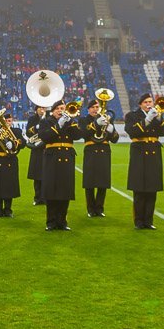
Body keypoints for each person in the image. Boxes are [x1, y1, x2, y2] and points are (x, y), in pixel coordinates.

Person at [124, 93, 164, 229]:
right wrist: (147, 120)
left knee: (152, 188)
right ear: (140, 104)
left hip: (154, 153)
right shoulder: (132, 116)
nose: (149, 104)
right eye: (145, 102)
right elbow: (132, 131)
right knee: (139, 189)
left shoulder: (157, 115)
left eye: (150, 101)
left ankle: (149, 221)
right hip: (139, 152)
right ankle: (139, 221)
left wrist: (159, 117)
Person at [39, 100, 83, 230]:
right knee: (51, 190)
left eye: (62, 108)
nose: (60, 110)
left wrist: (71, 122)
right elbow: (44, 136)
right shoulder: (46, 121)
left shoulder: (70, 121)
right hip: (52, 157)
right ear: (53, 110)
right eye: (57, 108)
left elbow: (78, 135)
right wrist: (59, 125)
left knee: (65, 189)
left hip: (67, 158)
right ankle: (51, 222)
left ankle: (62, 221)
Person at [80, 98, 119, 217]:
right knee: (90, 182)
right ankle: (91, 209)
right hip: (91, 151)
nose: (95, 109)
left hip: (104, 152)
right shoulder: (84, 120)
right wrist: (96, 124)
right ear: (88, 110)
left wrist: (110, 129)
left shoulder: (106, 119)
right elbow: (83, 134)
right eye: (92, 107)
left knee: (103, 181)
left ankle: (100, 208)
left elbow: (115, 139)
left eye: (97, 107)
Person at [0, 112, 25, 218]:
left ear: (12, 121)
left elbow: (23, 143)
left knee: (9, 185)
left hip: (10, 160)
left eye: (9, 121)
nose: (7, 123)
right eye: (5, 121)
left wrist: (14, 143)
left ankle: (8, 209)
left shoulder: (17, 131)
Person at [26, 105, 47, 205]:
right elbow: (28, 132)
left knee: (47, 175)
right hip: (36, 150)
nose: (42, 110)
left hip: (47, 149)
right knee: (37, 176)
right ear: (36, 110)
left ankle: (46, 197)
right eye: (40, 108)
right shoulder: (32, 119)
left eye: (44, 108)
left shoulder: (49, 119)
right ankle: (37, 198)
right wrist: (37, 126)